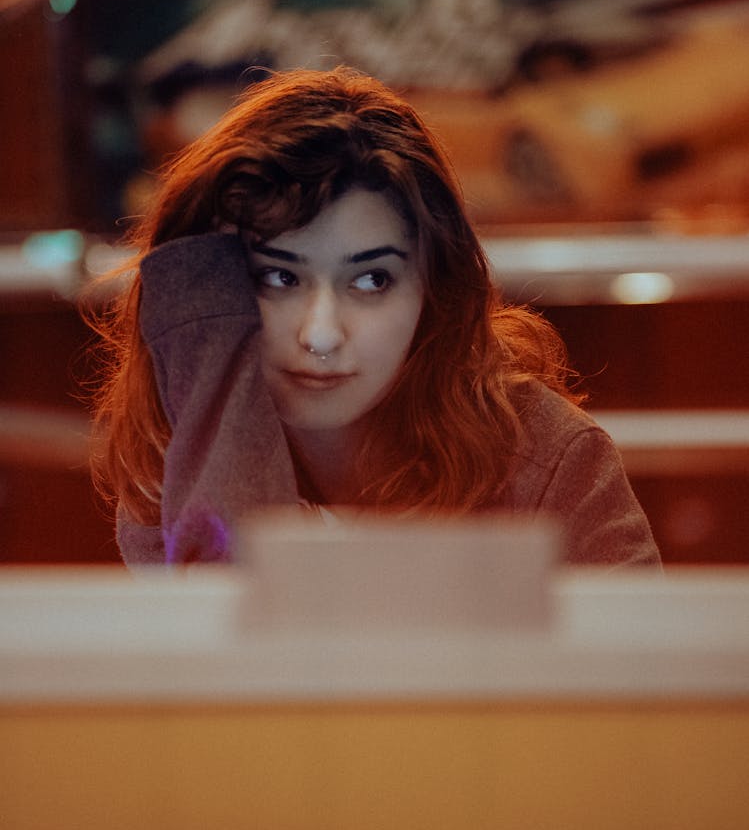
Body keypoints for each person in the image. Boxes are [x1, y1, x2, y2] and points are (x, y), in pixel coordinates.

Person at [88, 66, 660, 567]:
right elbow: (229, 671)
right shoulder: (178, 449)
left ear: (433, 291)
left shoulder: (549, 461)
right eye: (279, 278)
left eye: (371, 280)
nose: (320, 334)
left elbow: (646, 685)